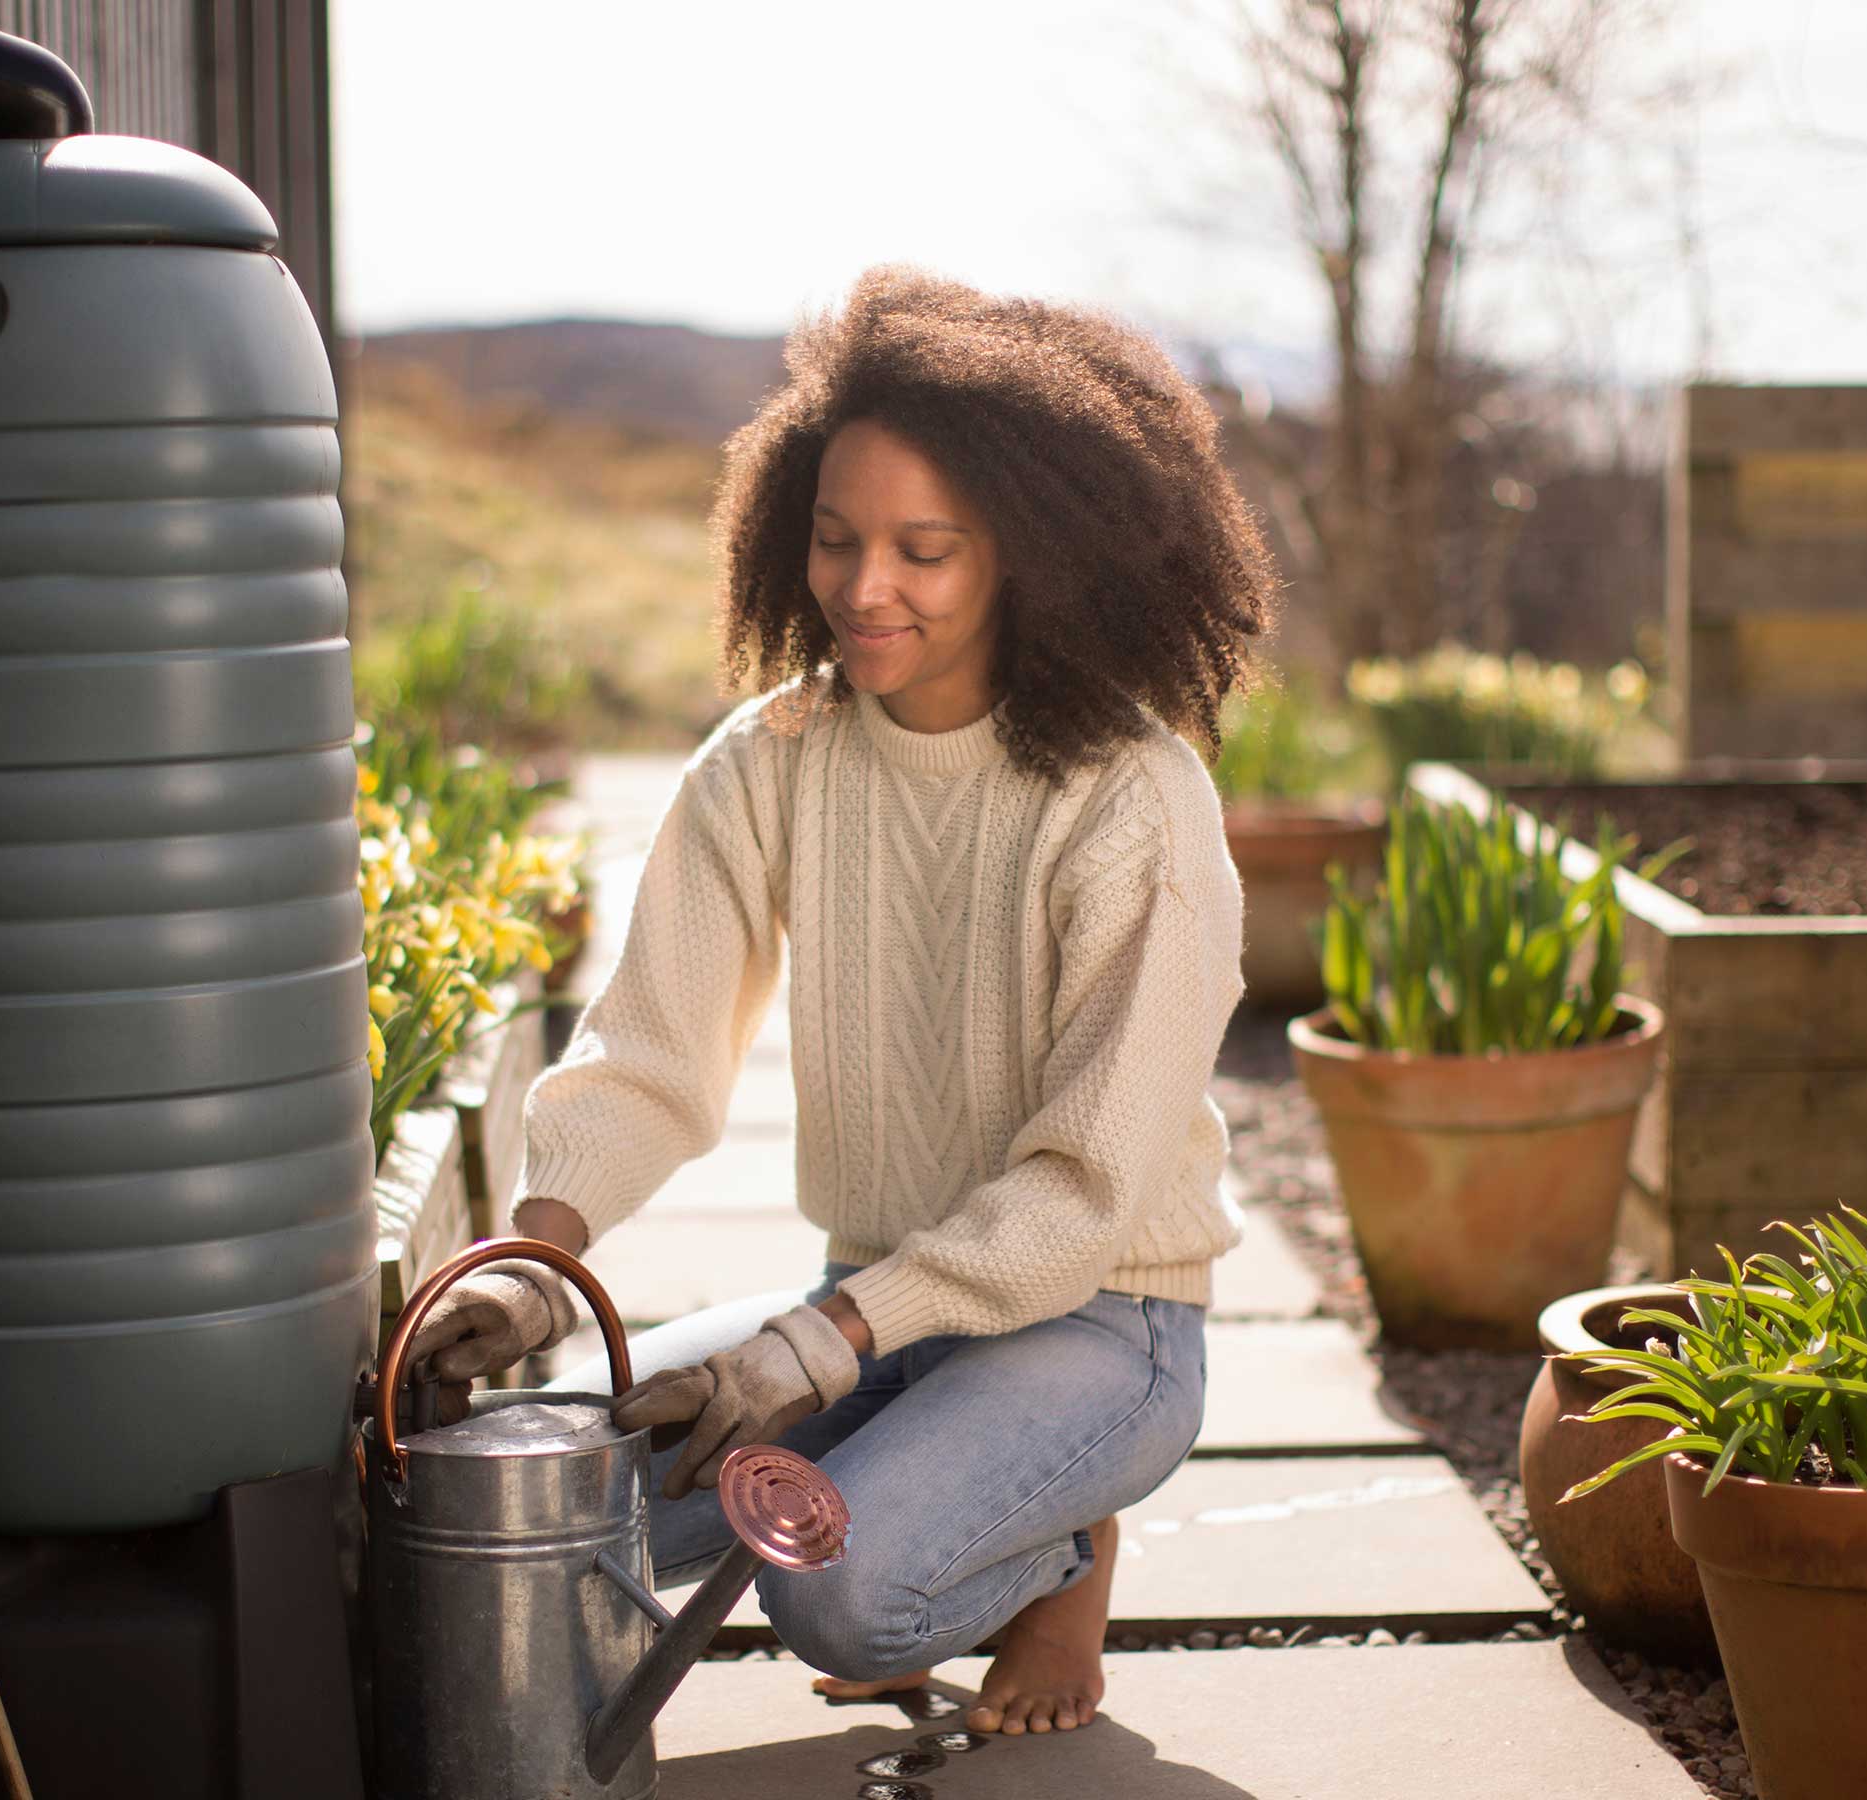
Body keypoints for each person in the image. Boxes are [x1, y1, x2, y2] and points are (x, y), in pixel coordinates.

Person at [394, 265, 1276, 1737]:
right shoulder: (771, 760)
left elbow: (1084, 1190)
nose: (867, 590)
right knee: (549, 1504)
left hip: (1101, 1326)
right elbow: (648, 1057)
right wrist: (530, 1264)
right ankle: (947, 1473)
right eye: (836, 538)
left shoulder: (1133, 800)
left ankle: (1058, 1556)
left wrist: (818, 1349)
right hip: (867, 1304)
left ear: (1028, 554)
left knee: (840, 1593)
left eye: (925, 550)